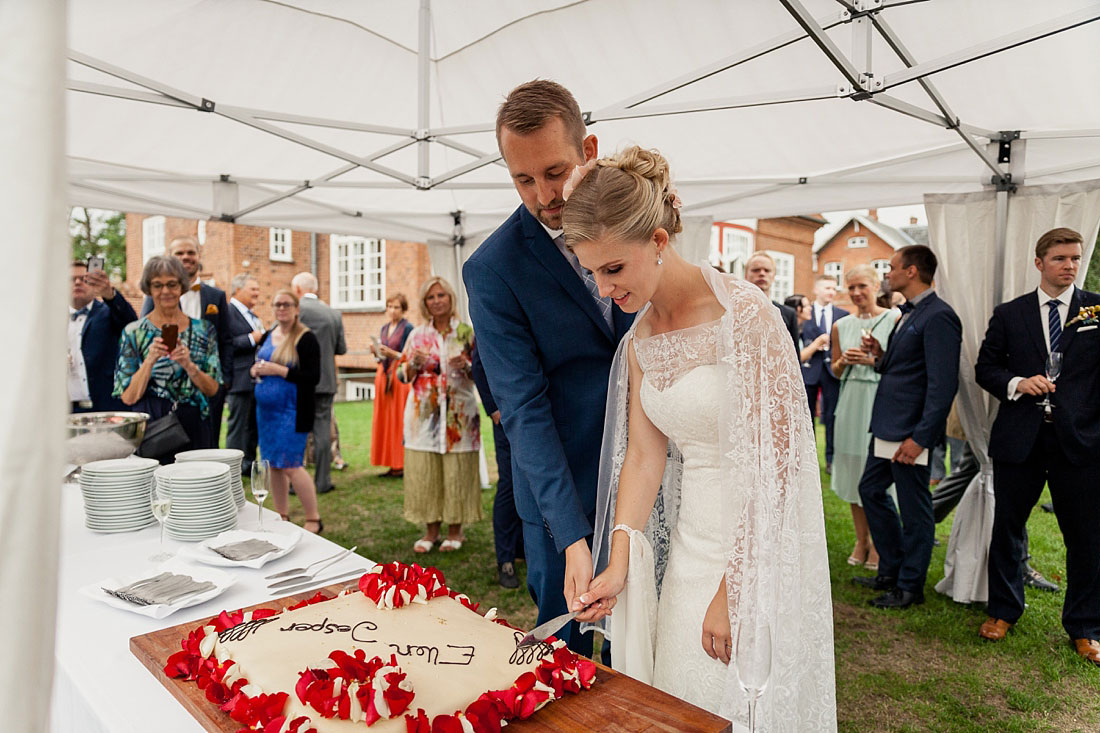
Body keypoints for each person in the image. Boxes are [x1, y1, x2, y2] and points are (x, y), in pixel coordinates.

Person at [566, 147, 835, 728]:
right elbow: (642, 457)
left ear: (659, 242)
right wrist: (618, 561)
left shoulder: (747, 317)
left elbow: (781, 466)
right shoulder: (638, 339)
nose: (603, 287)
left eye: (614, 268)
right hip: (689, 553)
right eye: (592, 272)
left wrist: (736, 589)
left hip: (752, 547)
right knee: (678, 698)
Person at [462, 80, 634, 659]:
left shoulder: (637, 221)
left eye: (555, 171)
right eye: (523, 179)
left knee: (648, 655)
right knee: (568, 656)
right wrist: (572, 537)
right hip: (563, 497)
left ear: (589, 150)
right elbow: (524, 411)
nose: (544, 195)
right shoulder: (493, 270)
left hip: (654, 480)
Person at [974, 227, 1100, 664]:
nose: (1070, 266)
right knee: (1008, 528)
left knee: (1085, 537)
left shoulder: (1096, 309)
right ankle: (1004, 611)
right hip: (1019, 440)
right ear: (1039, 262)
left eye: (1076, 258)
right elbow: (985, 368)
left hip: (1080, 443)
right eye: (1061, 258)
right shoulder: (1010, 314)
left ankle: (1085, 627)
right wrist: (1016, 382)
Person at [854, 245, 962, 609]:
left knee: (916, 511)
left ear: (912, 271)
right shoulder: (909, 313)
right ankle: (891, 569)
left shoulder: (940, 316)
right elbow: (903, 367)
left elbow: (942, 385)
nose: (888, 272)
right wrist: (881, 355)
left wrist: (920, 438)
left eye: (893, 267)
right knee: (870, 490)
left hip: (909, 432)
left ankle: (910, 586)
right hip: (887, 426)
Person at [398, 276, 482, 553]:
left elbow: (482, 375)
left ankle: (456, 532)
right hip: (424, 418)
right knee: (427, 471)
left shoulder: (467, 333)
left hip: (459, 417)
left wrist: (468, 366)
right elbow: (401, 375)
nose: (436, 302)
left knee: (457, 472)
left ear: (450, 298)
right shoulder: (417, 335)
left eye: (441, 296)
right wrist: (413, 364)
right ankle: (430, 531)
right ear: (425, 303)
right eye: (431, 298)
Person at [116, 256, 222, 456]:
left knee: (196, 484)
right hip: (153, 427)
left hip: (194, 424)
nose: (165, 291)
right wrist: (149, 361)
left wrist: (189, 365)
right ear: (149, 289)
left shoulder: (204, 330)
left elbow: (213, 389)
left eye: (172, 284)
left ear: (182, 286)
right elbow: (128, 397)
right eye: (158, 285)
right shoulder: (133, 332)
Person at [830, 265, 899, 572]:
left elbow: (898, 365)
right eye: (852, 288)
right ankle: (861, 540)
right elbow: (834, 370)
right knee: (854, 473)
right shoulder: (840, 326)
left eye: (862, 287)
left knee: (879, 476)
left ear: (875, 286)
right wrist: (844, 360)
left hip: (880, 401)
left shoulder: (893, 318)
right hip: (850, 402)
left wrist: (872, 360)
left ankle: (882, 544)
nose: (857, 293)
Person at [141, 236, 231, 447]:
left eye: (190, 252)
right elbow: (145, 337)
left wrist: (225, 380)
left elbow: (226, 340)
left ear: (199, 256)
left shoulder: (216, 296)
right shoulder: (155, 296)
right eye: (179, 253)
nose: (186, 257)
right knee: (170, 445)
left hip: (208, 384)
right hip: (170, 389)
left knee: (209, 445)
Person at [250, 289, 323, 534]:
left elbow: (313, 377)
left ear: (296, 309)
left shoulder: (305, 338)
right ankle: (282, 515)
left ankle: (313, 518)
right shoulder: (269, 334)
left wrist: (278, 370)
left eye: (287, 304)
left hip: (291, 412)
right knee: (273, 465)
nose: (282, 308)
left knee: (291, 464)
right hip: (266, 413)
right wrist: (256, 370)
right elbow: (259, 361)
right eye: (277, 304)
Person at [471, 341, 523, 589]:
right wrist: (493, 409)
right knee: (509, 484)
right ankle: (505, 559)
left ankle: (522, 547)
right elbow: (479, 365)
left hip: (536, 411)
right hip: (505, 415)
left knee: (532, 485)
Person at [292, 272, 347, 494]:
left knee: (298, 430)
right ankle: (322, 481)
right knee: (323, 430)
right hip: (325, 380)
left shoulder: (296, 311)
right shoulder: (333, 314)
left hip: (298, 379)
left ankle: (296, 481)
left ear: (297, 290)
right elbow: (341, 349)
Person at [69, 259, 137, 412]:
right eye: (71, 279)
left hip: (106, 409)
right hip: (66, 411)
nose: (78, 282)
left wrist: (110, 295)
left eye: (84, 279)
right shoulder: (51, 320)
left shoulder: (109, 312)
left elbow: (132, 325)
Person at [800, 275, 849, 472]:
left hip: (832, 372)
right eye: (827, 288)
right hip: (809, 371)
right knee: (806, 417)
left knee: (832, 417)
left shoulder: (843, 314)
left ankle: (831, 460)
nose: (831, 292)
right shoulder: (805, 313)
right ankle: (807, 460)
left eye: (833, 288)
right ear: (816, 290)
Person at [370, 293, 414, 477]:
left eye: (396, 307)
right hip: (383, 374)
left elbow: (408, 355)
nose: (392, 310)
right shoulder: (384, 328)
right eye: (389, 306)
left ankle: (401, 462)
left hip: (398, 375)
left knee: (398, 419)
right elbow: (380, 357)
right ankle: (389, 461)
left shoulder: (408, 328)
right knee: (385, 420)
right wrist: (376, 352)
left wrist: (391, 353)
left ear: (403, 309)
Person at [225, 273, 265, 474]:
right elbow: (226, 344)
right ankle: (232, 467)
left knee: (252, 425)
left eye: (258, 289)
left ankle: (248, 464)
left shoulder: (253, 316)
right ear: (238, 290)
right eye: (253, 289)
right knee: (238, 426)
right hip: (238, 379)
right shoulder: (228, 312)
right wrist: (251, 338)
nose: (257, 293)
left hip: (256, 380)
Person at [744, 251, 799, 351]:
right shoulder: (734, 310)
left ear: (773, 276)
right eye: (756, 270)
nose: (761, 273)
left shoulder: (788, 314)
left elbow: (795, 357)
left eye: (767, 270)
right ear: (746, 275)